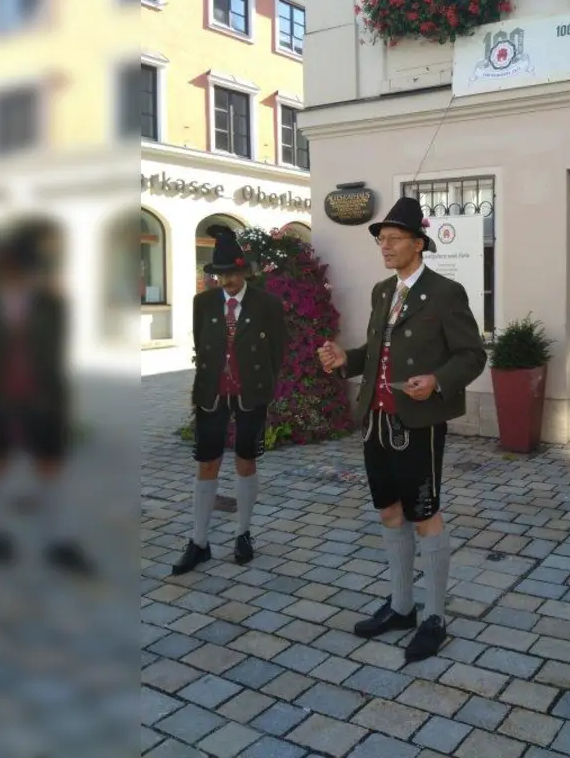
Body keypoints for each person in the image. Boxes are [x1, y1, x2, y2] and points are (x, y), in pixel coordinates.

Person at [316, 197, 486, 663]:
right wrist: (344, 360)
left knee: (425, 514)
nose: (385, 246)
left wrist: (437, 381)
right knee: (389, 511)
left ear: (418, 244)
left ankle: (435, 617)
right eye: (381, 240)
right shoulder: (381, 292)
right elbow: (375, 354)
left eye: (394, 239)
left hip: (419, 424)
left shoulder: (445, 292)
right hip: (376, 420)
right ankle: (402, 606)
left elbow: (472, 355)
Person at [0, 226, 94, 576]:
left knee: (50, 463)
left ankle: (56, 538)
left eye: (30, 267)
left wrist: (59, 399)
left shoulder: (51, 303)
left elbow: (54, 352)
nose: (25, 273)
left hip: (41, 395)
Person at [171, 231, 288, 574]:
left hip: (251, 390)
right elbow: (202, 345)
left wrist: (260, 380)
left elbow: (278, 350)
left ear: (245, 271)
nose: (227, 280)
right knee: (207, 462)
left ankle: (243, 533)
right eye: (221, 274)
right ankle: (199, 541)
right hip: (212, 392)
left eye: (233, 273)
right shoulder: (203, 303)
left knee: (245, 460)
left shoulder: (267, 304)